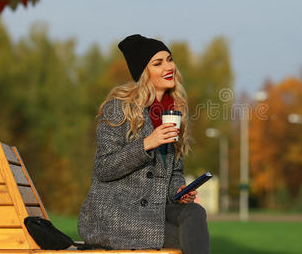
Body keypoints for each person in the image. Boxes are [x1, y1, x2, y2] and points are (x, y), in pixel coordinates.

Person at [78, 34, 210, 254]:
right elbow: (103, 168)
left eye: (169, 59)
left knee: (194, 213)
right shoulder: (119, 108)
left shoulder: (174, 112)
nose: (169, 67)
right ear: (143, 73)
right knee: (188, 238)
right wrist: (147, 143)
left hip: (154, 213)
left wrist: (179, 190)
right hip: (117, 215)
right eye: (158, 63)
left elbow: (175, 171)